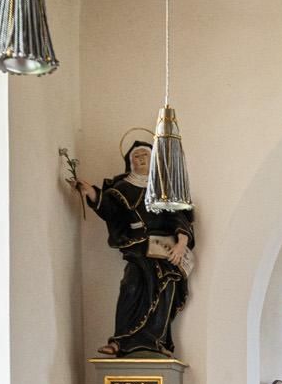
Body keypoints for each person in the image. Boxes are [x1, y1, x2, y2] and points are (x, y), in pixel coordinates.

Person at [73, 139, 195, 356]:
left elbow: (179, 218)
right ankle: (121, 341)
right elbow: (110, 209)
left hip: (164, 253)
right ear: (130, 162)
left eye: (145, 155)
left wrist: (181, 245)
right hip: (137, 249)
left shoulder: (164, 190)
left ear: (153, 161)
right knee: (130, 286)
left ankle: (157, 342)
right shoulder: (122, 188)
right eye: (136, 156)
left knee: (165, 291)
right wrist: (92, 193)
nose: (140, 159)